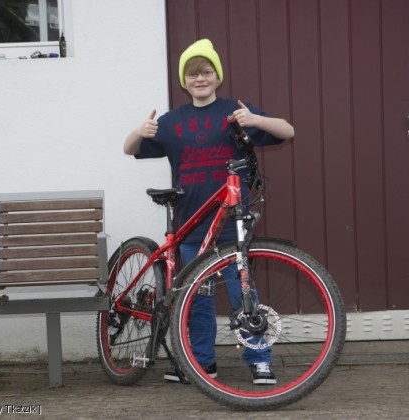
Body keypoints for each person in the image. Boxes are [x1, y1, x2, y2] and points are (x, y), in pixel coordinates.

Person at [123, 39, 294, 385]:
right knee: (196, 301)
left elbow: (288, 131)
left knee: (243, 296)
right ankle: (202, 363)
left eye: (206, 71)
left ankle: (260, 360)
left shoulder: (235, 112)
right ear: (183, 82)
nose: (200, 78)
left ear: (217, 75)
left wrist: (255, 118)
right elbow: (130, 149)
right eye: (192, 74)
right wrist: (138, 132)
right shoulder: (172, 121)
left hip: (232, 227)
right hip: (191, 227)